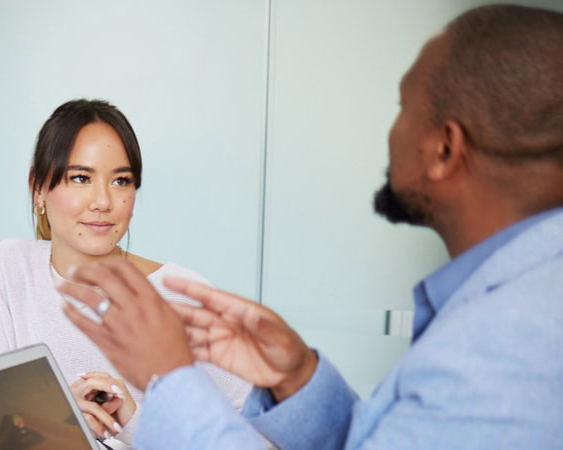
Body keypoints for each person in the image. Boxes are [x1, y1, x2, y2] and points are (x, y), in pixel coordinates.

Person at [55, 4, 563, 449]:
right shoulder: (516, 307)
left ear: (444, 149)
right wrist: (299, 380)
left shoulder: (511, 344)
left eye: (402, 106)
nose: (102, 202)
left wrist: (168, 377)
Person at [0, 99, 251, 444]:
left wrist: (132, 423)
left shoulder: (181, 294)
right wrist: (61, 422)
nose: (103, 202)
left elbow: (252, 440)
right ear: (38, 189)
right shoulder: (10, 267)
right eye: (81, 178)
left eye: (121, 181)